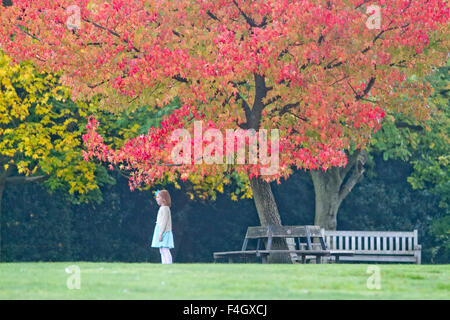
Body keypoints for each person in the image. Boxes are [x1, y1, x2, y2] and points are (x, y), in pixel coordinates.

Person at [151, 189, 174, 264]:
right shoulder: (163, 208)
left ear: (163, 199)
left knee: (164, 249)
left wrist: (160, 233)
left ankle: (168, 263)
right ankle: (164, 264)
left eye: (158, 197)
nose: (156, 199)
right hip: (161, 230)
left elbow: (164, 222)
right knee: (161, 249)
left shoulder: (165, 208)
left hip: (164, 231)